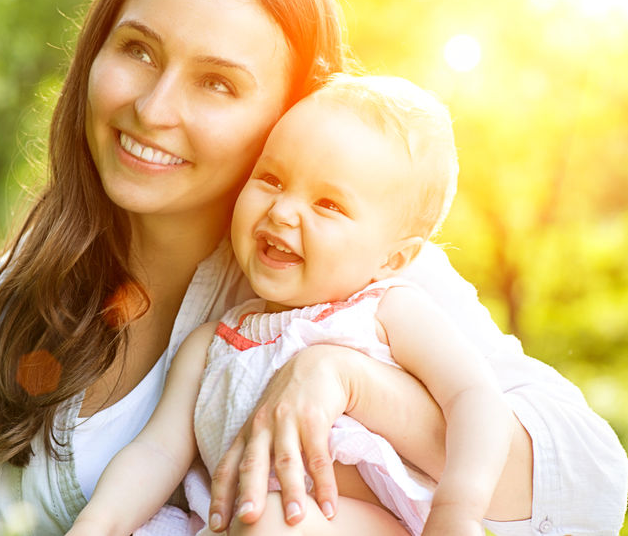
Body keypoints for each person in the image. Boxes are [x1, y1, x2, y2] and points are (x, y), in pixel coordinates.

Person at [0, 0, 628, 535]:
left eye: (218, 82)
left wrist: (348, 380)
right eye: (136, 49)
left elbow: (592, 486)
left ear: (290, 109)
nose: (154, 107)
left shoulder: (364, 278)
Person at [66, 73, 514, 536]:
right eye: (271, 178)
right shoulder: (209, 346)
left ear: (393, 258)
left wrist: (456, 507)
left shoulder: (385, 314)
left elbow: (476, 399)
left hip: (358, 523)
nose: (282, 211)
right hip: (238, 524)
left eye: (328, 204)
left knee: (273, 519)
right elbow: (156, 453)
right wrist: (98, 523)